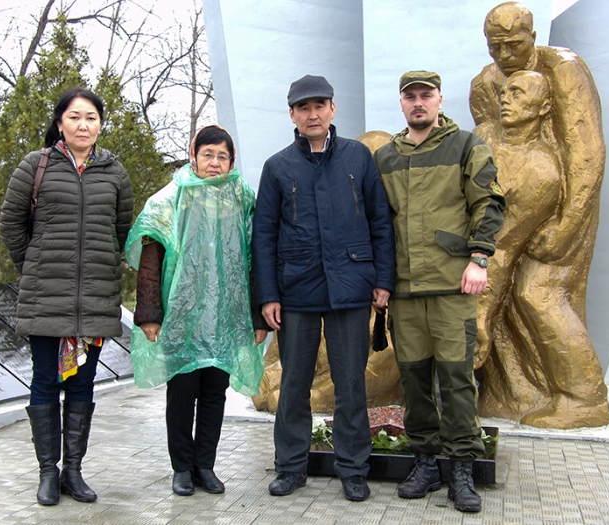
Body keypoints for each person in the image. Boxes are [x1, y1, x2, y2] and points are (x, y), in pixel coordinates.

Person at [252, 75, 395, 502]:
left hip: (350, 286)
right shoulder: (277, 167)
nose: (312, 114)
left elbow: (380, 222)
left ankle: (353, 468)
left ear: (332, 109)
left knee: (351, 382)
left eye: (320, 105)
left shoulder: (358, 158)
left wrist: (383, 280)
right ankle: (291, 467)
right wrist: (267, 295)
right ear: (292, 115)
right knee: (294, 382)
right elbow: (264, 236)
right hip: (296, 290)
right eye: (303, 107)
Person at [470, 1, 609, 427]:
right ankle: (514, 393)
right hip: (507, 204)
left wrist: (568, 224)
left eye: (514, 43)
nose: (505, 54)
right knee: (506, 299)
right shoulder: (486, 83)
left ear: (532, 36)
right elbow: (488, 153)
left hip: (562, 206)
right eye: (496, 46)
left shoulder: (563, 69)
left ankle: (584, 396)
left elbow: (586, 153)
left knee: (537, 292)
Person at [373, 71, 505, 513]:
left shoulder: (466, 146)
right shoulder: (387, 157)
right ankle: (426, 462)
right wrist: (382, 281)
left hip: (452, 285)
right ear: (402, 103)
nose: (418, 103)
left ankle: (462, 468)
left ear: (439, 99)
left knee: (456, 380)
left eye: (425, 96)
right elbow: (379, 222)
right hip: (406, 291)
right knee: (414, 382)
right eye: (410, 97)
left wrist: (479, 257)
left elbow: (488, 202)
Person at [0, 87, 134, 506]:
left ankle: (73, 472)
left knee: (82, 384)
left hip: (94, 300)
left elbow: (122, 233)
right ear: (60, 122)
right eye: (75, 117)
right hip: (47, 299)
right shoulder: (35, 166)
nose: (83, 125)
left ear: (100, 124)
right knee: (43, 381)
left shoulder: (114, 172)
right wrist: (35, 267)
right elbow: (11, 224)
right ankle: (47, 473)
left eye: (91, 117)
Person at [126, 125, 267, 497]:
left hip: (225, 317)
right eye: (208, 154)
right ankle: (181, 468)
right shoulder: (171, 198)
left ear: (231, 160)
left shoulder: (242, 199)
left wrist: (255, 317)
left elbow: (257, 259)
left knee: (214, 393)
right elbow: (151, 256)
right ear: (194, 155)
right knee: (181, 391)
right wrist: (150, 313)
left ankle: (205, 465)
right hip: (182, 317)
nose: (215, 163)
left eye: (223, 156)